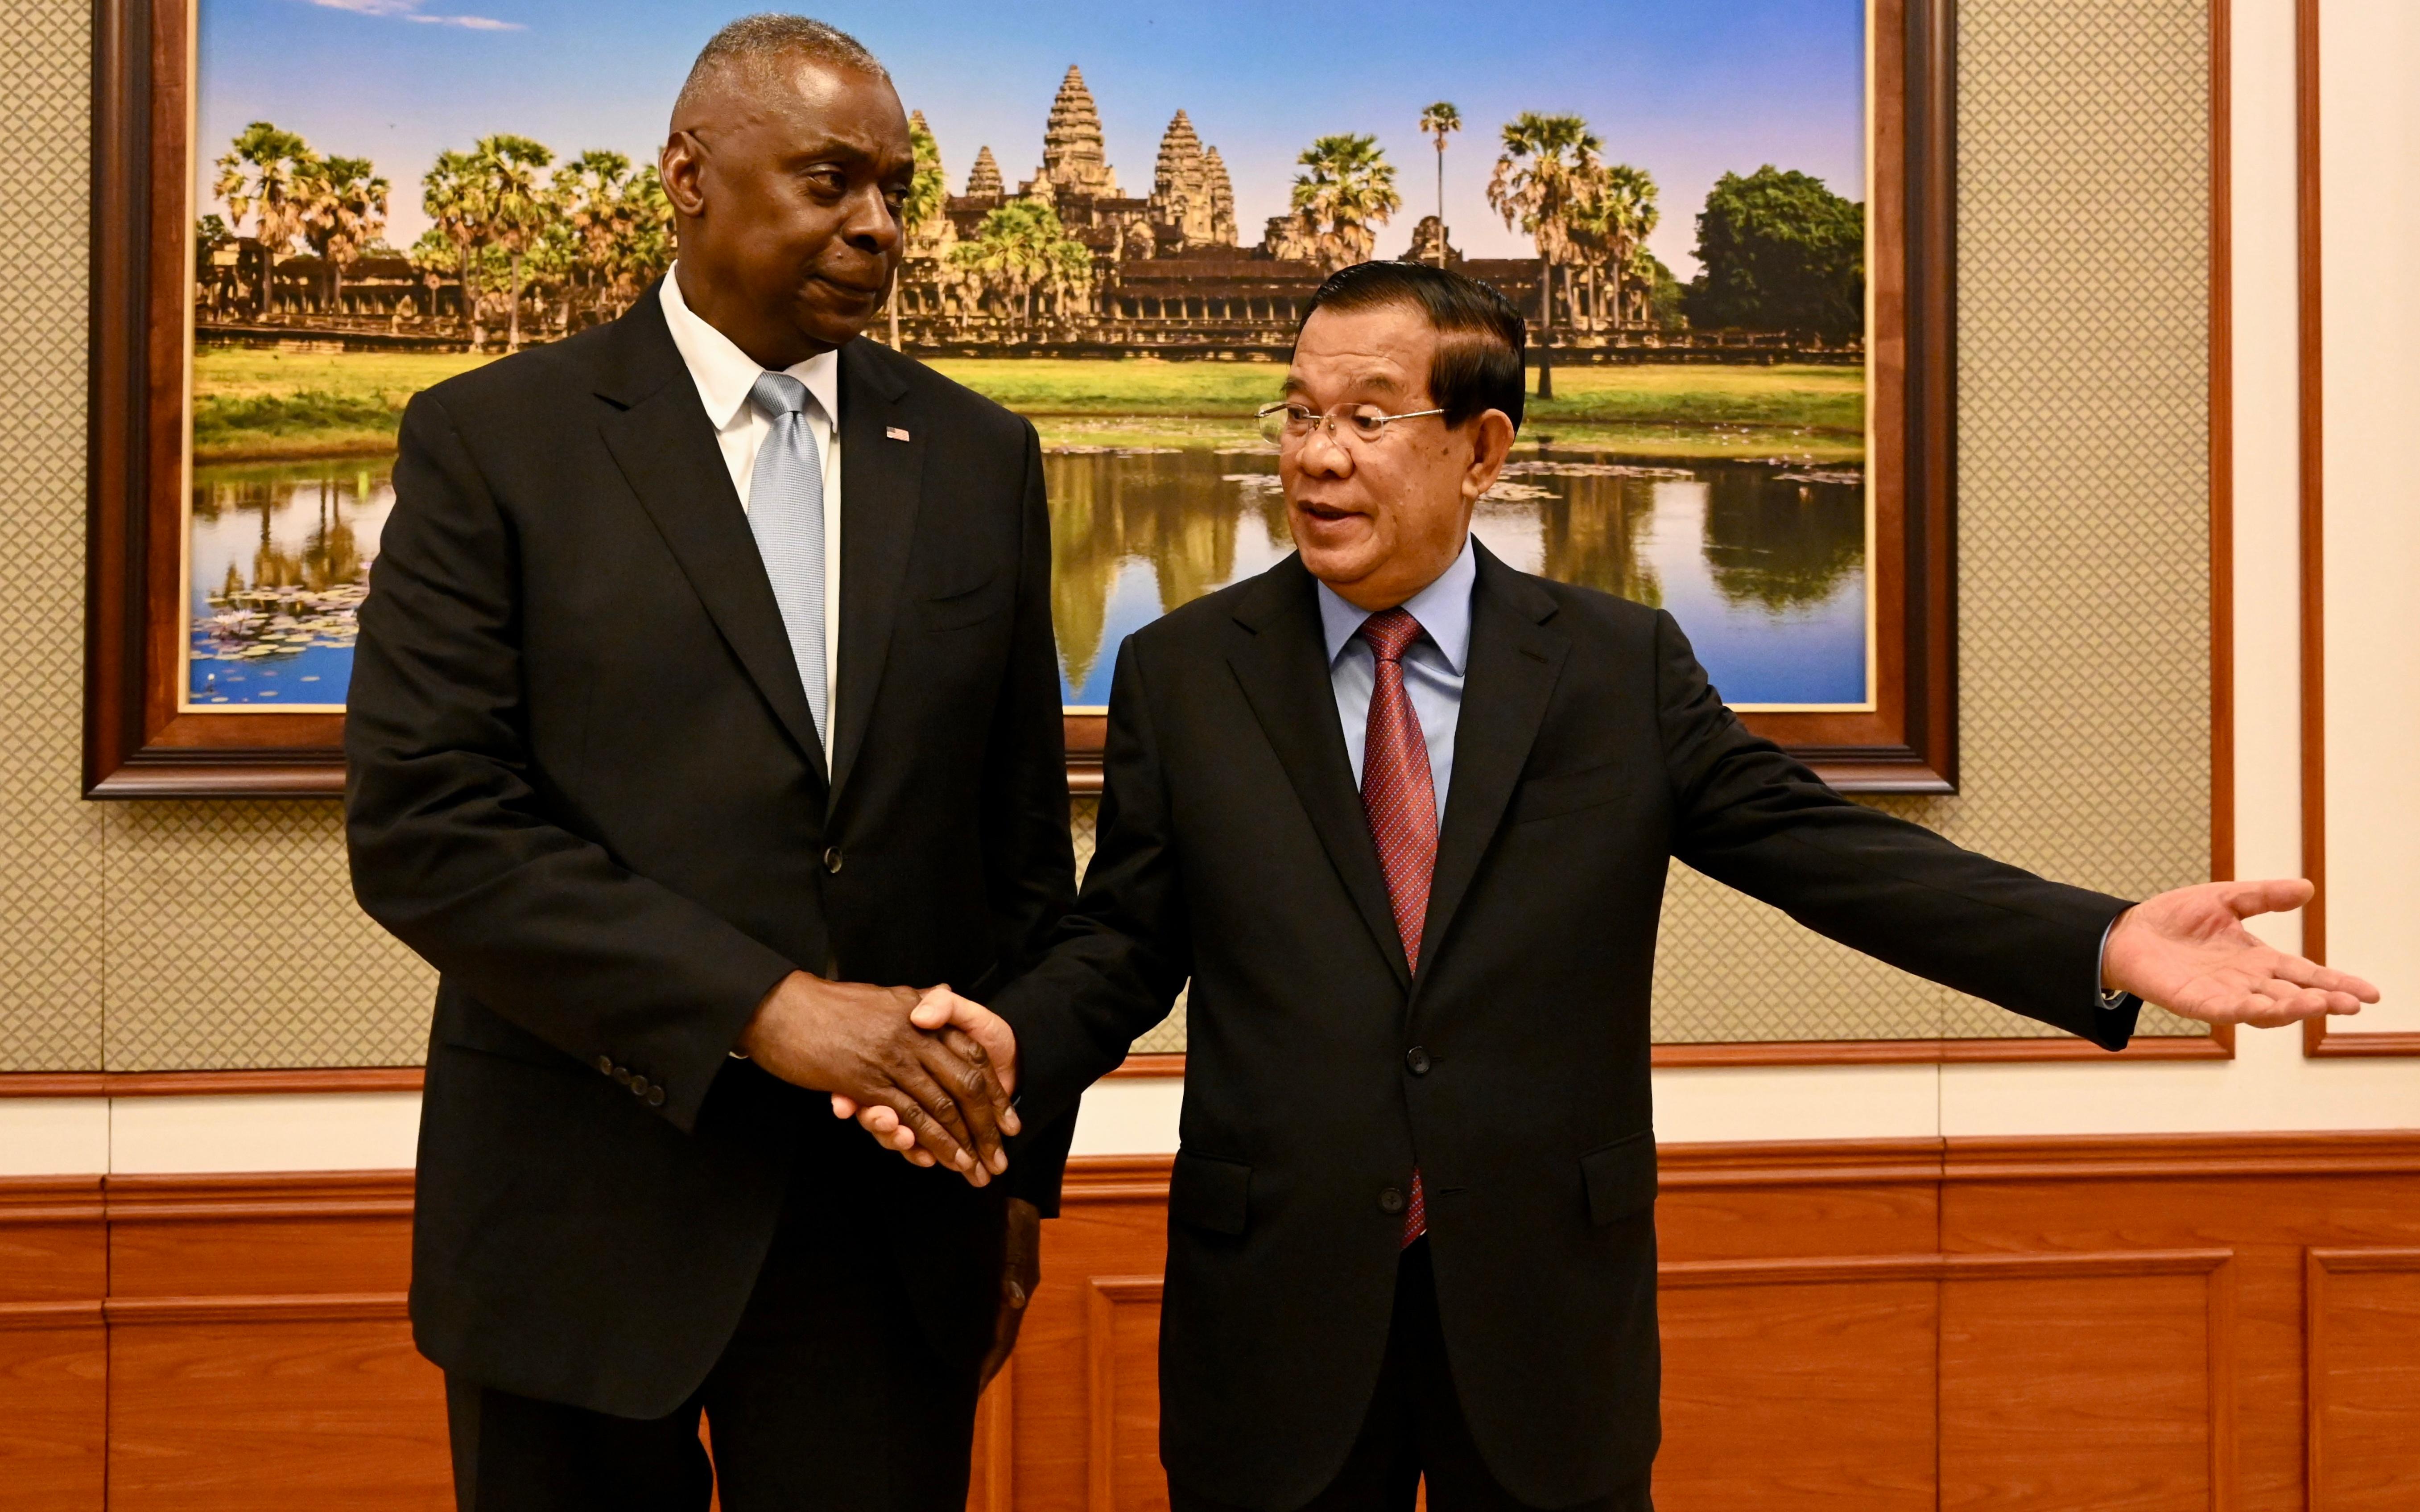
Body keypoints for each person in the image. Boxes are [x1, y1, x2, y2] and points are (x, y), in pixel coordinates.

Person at [869, 260, 2379, 1512]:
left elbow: (1823, 853)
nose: (1317, 457)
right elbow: (1126, 939)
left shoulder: (1611, 669)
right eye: (1299, 414)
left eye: (1369, 418)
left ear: (1482, 451)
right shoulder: (1184, 671)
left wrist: (2101, 939)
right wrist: (1007, 1042)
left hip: (1541, 1306)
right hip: (1274, 1305)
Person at [344, 16, 1064, 1510]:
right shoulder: (496, 442)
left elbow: (1018, 865)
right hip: (580, 1221)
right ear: (686, 176)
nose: (877, 226)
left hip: (893, 1240)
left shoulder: (981, 458)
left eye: (895, 189)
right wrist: (767, 1009)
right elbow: (431, 829)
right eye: (829, 180)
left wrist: (1014, 1183)